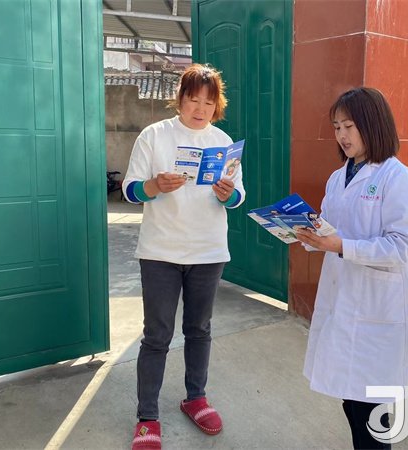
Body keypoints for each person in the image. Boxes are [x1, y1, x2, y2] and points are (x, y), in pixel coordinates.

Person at [122, 63, 245, 450]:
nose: (200, 109)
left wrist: (229, 194)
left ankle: (196, 398)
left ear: (217, 106)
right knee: (157, 335)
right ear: (180, 100)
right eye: (193, 100)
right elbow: (129, 190)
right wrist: (154, 185)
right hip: (160, 251)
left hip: (208, 251)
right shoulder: (154, 135)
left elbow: (238, 196)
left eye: (209, 102)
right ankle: (147, 417)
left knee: (199, 329)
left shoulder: (223, 142)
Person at [295, 87, 408, 450]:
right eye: (336, 127)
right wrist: (307, 235)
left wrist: (341, 246)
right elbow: (329, 229)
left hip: (376, 310)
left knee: (372, 417)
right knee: (350, 402)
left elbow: (404, 246)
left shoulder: (399, 179)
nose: (342, 135)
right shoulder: (338, 178)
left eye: (349, 126)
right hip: (342, 301)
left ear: (372, 124)